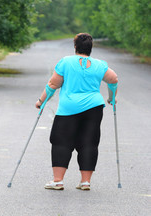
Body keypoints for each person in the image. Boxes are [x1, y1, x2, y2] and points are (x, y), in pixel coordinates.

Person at [35, 33, 118, 190]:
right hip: (94, 108)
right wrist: (111, 98)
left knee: (61, 141)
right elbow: (113, 79)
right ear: (90, 48)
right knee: (89, 142)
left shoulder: (66, 62)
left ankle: (58, 181)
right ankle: (85, 182)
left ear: (75, 47)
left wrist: (41, 101)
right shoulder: (100, 64)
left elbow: (53, 84)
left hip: (68, 108)